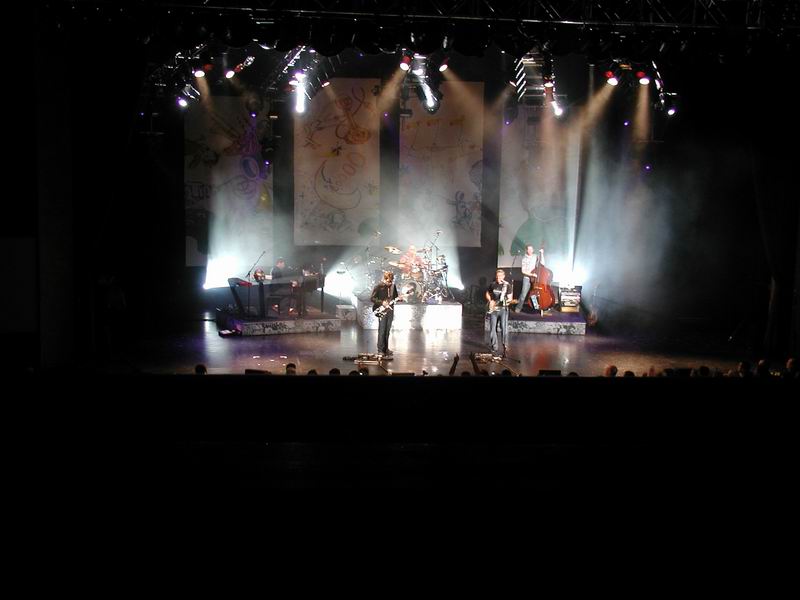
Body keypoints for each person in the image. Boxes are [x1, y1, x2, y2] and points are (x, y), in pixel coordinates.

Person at [485, 268, 513, 356]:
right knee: (493, 328)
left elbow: (510, 298)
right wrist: (490, 301)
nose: (498, 278)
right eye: (497, 276)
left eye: (500, 276)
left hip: (503, 309)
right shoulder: (492, 284)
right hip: (494, 309)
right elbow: (487, 293)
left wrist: (506, 302)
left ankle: (505, 346)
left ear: (503, 276)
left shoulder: (507, 286)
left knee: (504, 328)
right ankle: (494, 347)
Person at [371, 271, 399, 356]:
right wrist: (382, 302)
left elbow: (395, 297)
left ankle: (386, 349)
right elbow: (372, 298)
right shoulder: (378, 287)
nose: (389, 283)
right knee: (382, 330)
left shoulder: (393, 287)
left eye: (391, 281)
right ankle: (380, 349)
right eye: (388, 281)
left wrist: (399, 298)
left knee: (387, 331)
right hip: (382, 310)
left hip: (390, 310)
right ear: (384, 279)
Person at [515, 244, 539, 312]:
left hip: (535, 279)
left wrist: (542, 254)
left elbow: (542, 263)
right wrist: (531, 275)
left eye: (531, 249)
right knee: (523, 294)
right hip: (527, 278)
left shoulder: (536, 256)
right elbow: (523, 271)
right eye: (528, 249)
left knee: (535, 294)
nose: (530, 250)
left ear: (533, 250)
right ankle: (518, 307)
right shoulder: (524, 258)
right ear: (526, 250)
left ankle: (536, 308)